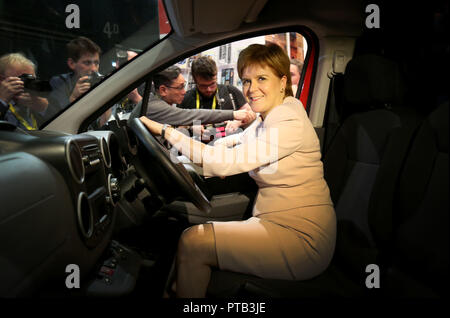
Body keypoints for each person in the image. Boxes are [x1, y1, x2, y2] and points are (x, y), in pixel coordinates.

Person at [139, 43, 336, 297]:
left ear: (282, 80)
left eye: (261, 78)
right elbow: (225, 148)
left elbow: (221, 163)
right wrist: (192, 155)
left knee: (193, 241)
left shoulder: (288, 120)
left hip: (302, 237)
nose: (251, 89)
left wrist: (164, 130)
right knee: (187, 240)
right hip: (272, 221)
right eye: (246, 81)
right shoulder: (267, 117)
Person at [135, 65, 255, 128]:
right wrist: (233, 114)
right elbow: (190, 115)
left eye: (184, 86)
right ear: (163, 90)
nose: (183, 91)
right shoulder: (154, 106)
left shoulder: (151, 102)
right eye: (180, 87)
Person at [178, 56, 253, 133]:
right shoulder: (185, 98)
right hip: (196, 143)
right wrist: (190, 126)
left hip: (228, 142)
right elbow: (178, 128)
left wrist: (237, 123)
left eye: (212, 84)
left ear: (216, 76)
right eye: (203, 86)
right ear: (194, 80)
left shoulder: (231, 92)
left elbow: (251, 114)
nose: (209, 89)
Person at [49, 36, 102, 110]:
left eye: (96, 63)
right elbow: (58, 117)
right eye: (87, 63)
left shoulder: (100, 82)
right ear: (71, 63)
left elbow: (105, 119)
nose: (94, 69)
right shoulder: (59, 82)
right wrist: (74, 97)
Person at [0, 53, 49, 130]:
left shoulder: (33, 101)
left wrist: (43, 108)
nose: (28, 85)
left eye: (32, 80)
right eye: (24, 79)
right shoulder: (2, 103)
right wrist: (2, 102)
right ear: (2, 80)